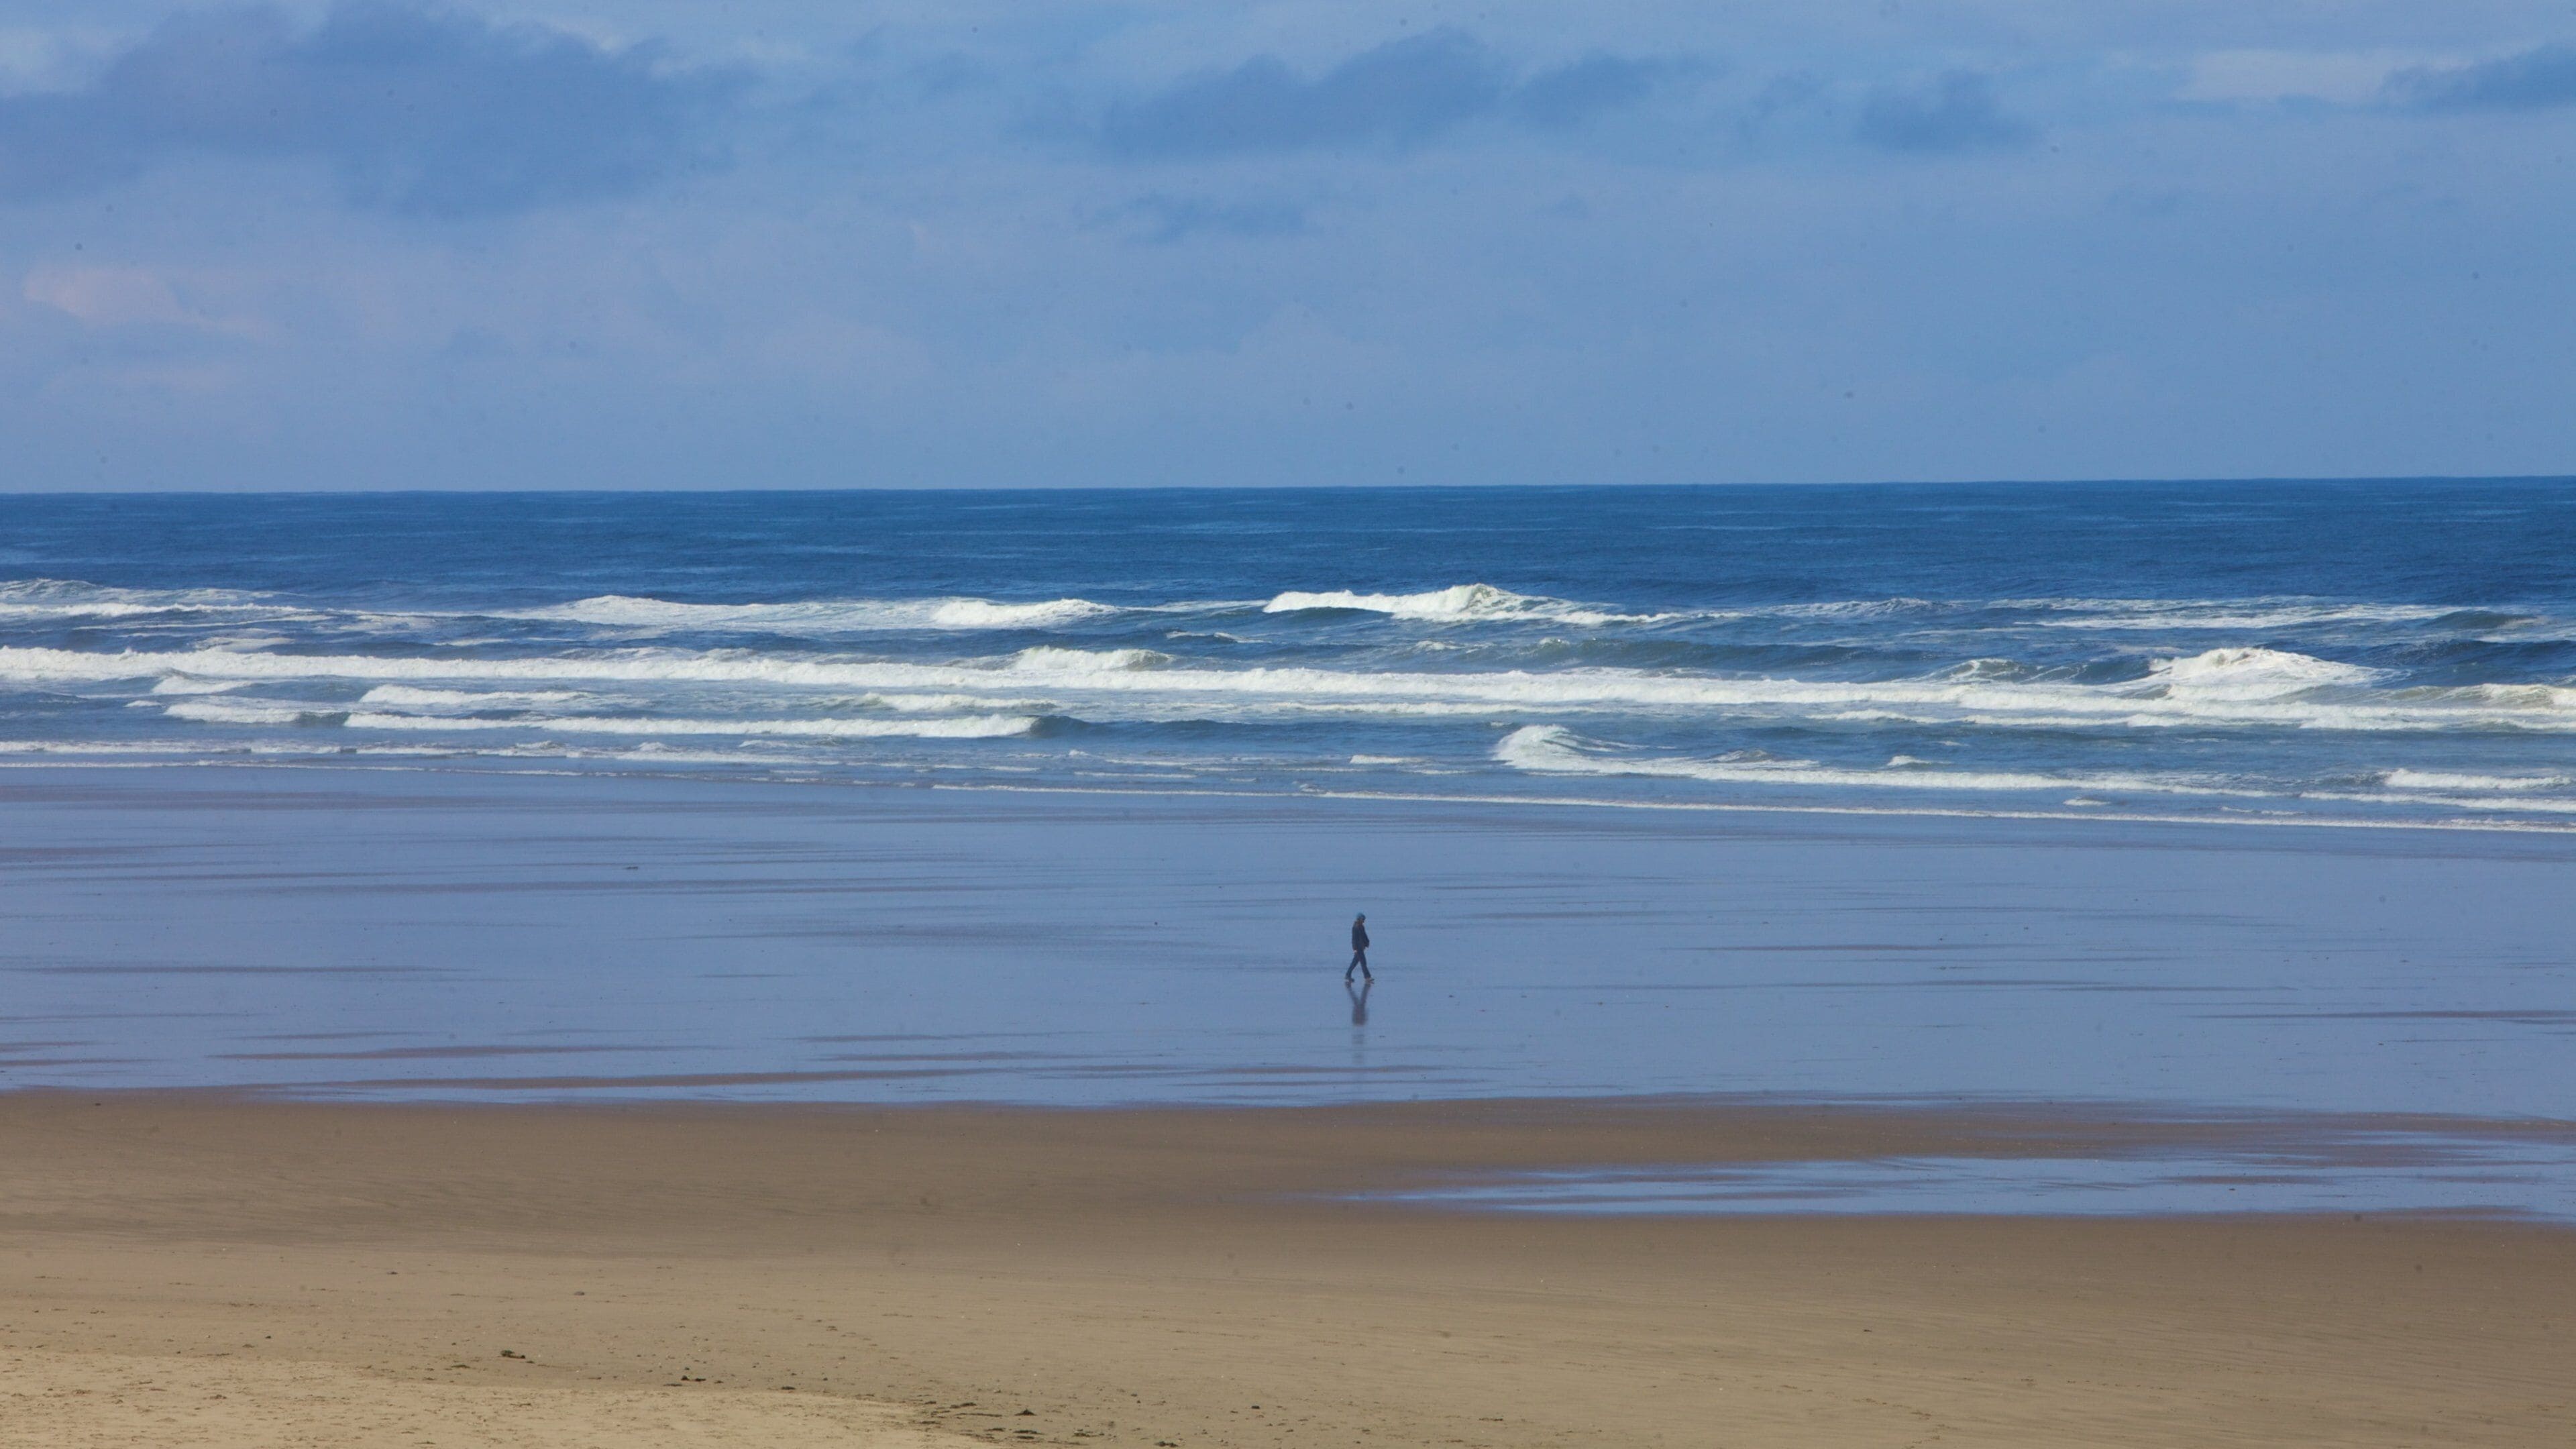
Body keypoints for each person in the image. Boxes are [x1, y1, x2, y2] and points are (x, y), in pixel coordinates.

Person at [1346, 912, 1372, 983]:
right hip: (1358, 948)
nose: (1364, 921)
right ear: (1359, 919)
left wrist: (1367, 943)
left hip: (1361, 947)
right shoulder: (1355, 927)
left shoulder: (1362, 927)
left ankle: (1348, 975)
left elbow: (1364, 936)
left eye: (1364, 919)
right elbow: (1354, 939)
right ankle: (1367, 977)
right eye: (1363, 919)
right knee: (1363, 963)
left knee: (1354, 963)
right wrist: (1355, 949)